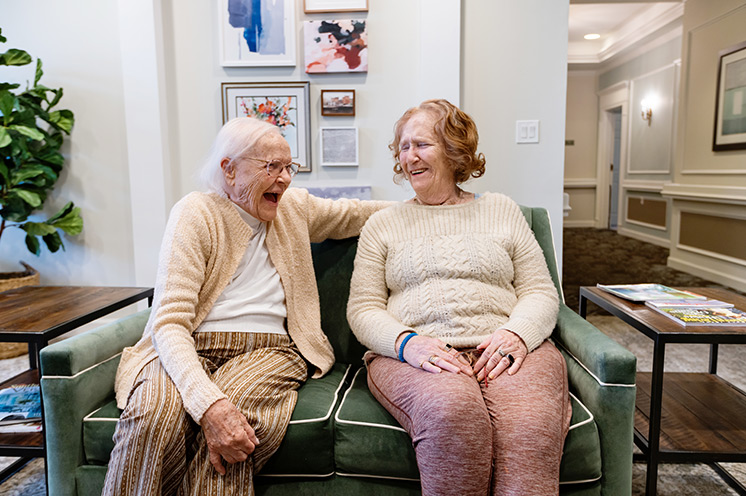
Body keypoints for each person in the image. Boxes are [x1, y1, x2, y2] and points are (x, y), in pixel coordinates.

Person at [103, 117, 387, 495]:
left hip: (271, 349)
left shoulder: (294, 207)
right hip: (191, 345)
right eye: (272, 167)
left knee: (235, 427)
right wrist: (206, 405)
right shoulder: (195, 213)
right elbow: (169, 324)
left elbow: (355, 213)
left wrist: (428, 204)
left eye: (289, 167)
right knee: (153, 414)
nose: (285, 179)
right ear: (229, 169)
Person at [347, 99, 572, 495]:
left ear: (454, 152)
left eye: (421, 145)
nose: (409, 156)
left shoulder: (502, 210)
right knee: (454, 412)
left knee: (530, 423)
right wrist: (408, 344)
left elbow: (539, 291)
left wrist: (517, 334)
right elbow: (363, 309)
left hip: (506, 346)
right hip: (417, 356)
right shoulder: (383, 224)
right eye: (403, 147)